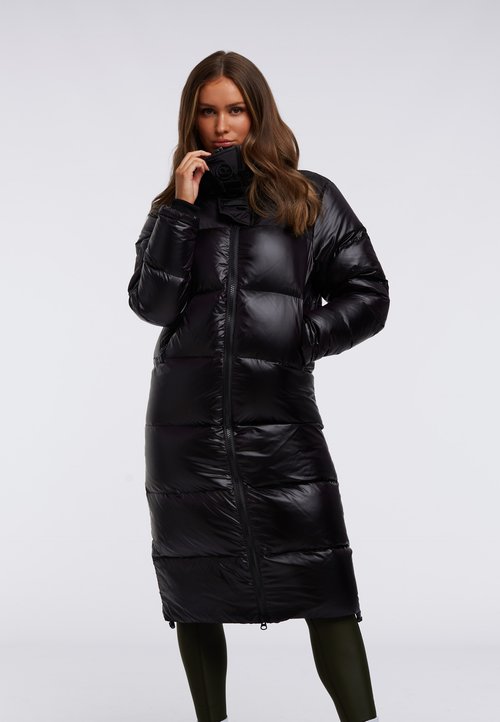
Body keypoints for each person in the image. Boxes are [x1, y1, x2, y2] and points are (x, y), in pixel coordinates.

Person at [127, 50, 389, 722]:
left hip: (281, 421)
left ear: (258, 113)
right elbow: (152, 305)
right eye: (207, 112)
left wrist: (301, 337)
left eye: (235, 110)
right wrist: (180, 210)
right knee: (194, 583)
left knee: (324, 579)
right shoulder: (174, 207)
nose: (222, 126)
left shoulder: (308, 196)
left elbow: (368, 293)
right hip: (186, 428)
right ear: (191, 119)